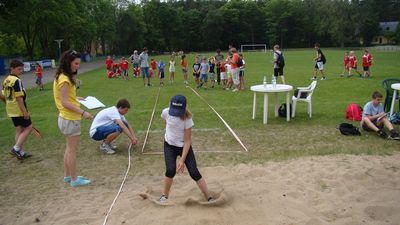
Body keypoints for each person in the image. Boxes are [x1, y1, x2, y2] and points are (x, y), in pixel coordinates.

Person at [159, 94, 215, 203]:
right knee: (170, 170)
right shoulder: (166, 112)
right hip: (169, 145)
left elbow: (188, 140)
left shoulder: (188, 120)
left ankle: (209, 197)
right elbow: (166, 122)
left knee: (194, 172)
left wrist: (182, 160)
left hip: (184, 146)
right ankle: (164, 196)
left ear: (184, 108)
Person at [53, 49, 93, 187]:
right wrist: (83, 113)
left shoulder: (62, 76)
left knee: (68, 148)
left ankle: (67, 176)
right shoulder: (64, 79)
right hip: (69, 119)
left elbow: (65, 97)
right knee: (71, 150)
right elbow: (64, 102)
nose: (78, 66)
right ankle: (74, 179)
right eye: (76, 63)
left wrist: (77, 98)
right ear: (68, 62)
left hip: (66, 118)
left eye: (78, 63)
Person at [1, 59, 33, 159]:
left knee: (19, 130)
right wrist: (24, 111)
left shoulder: (6, 80)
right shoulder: (16, 80)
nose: (21, 71)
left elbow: (2, 95)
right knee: (29, 127)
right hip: (18, 109)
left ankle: (20, 152)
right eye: (19, 69)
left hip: (11, 109)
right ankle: (16, 148)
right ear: (12, 68)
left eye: (22, 69)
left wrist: (7, 103)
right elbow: (19, 98)